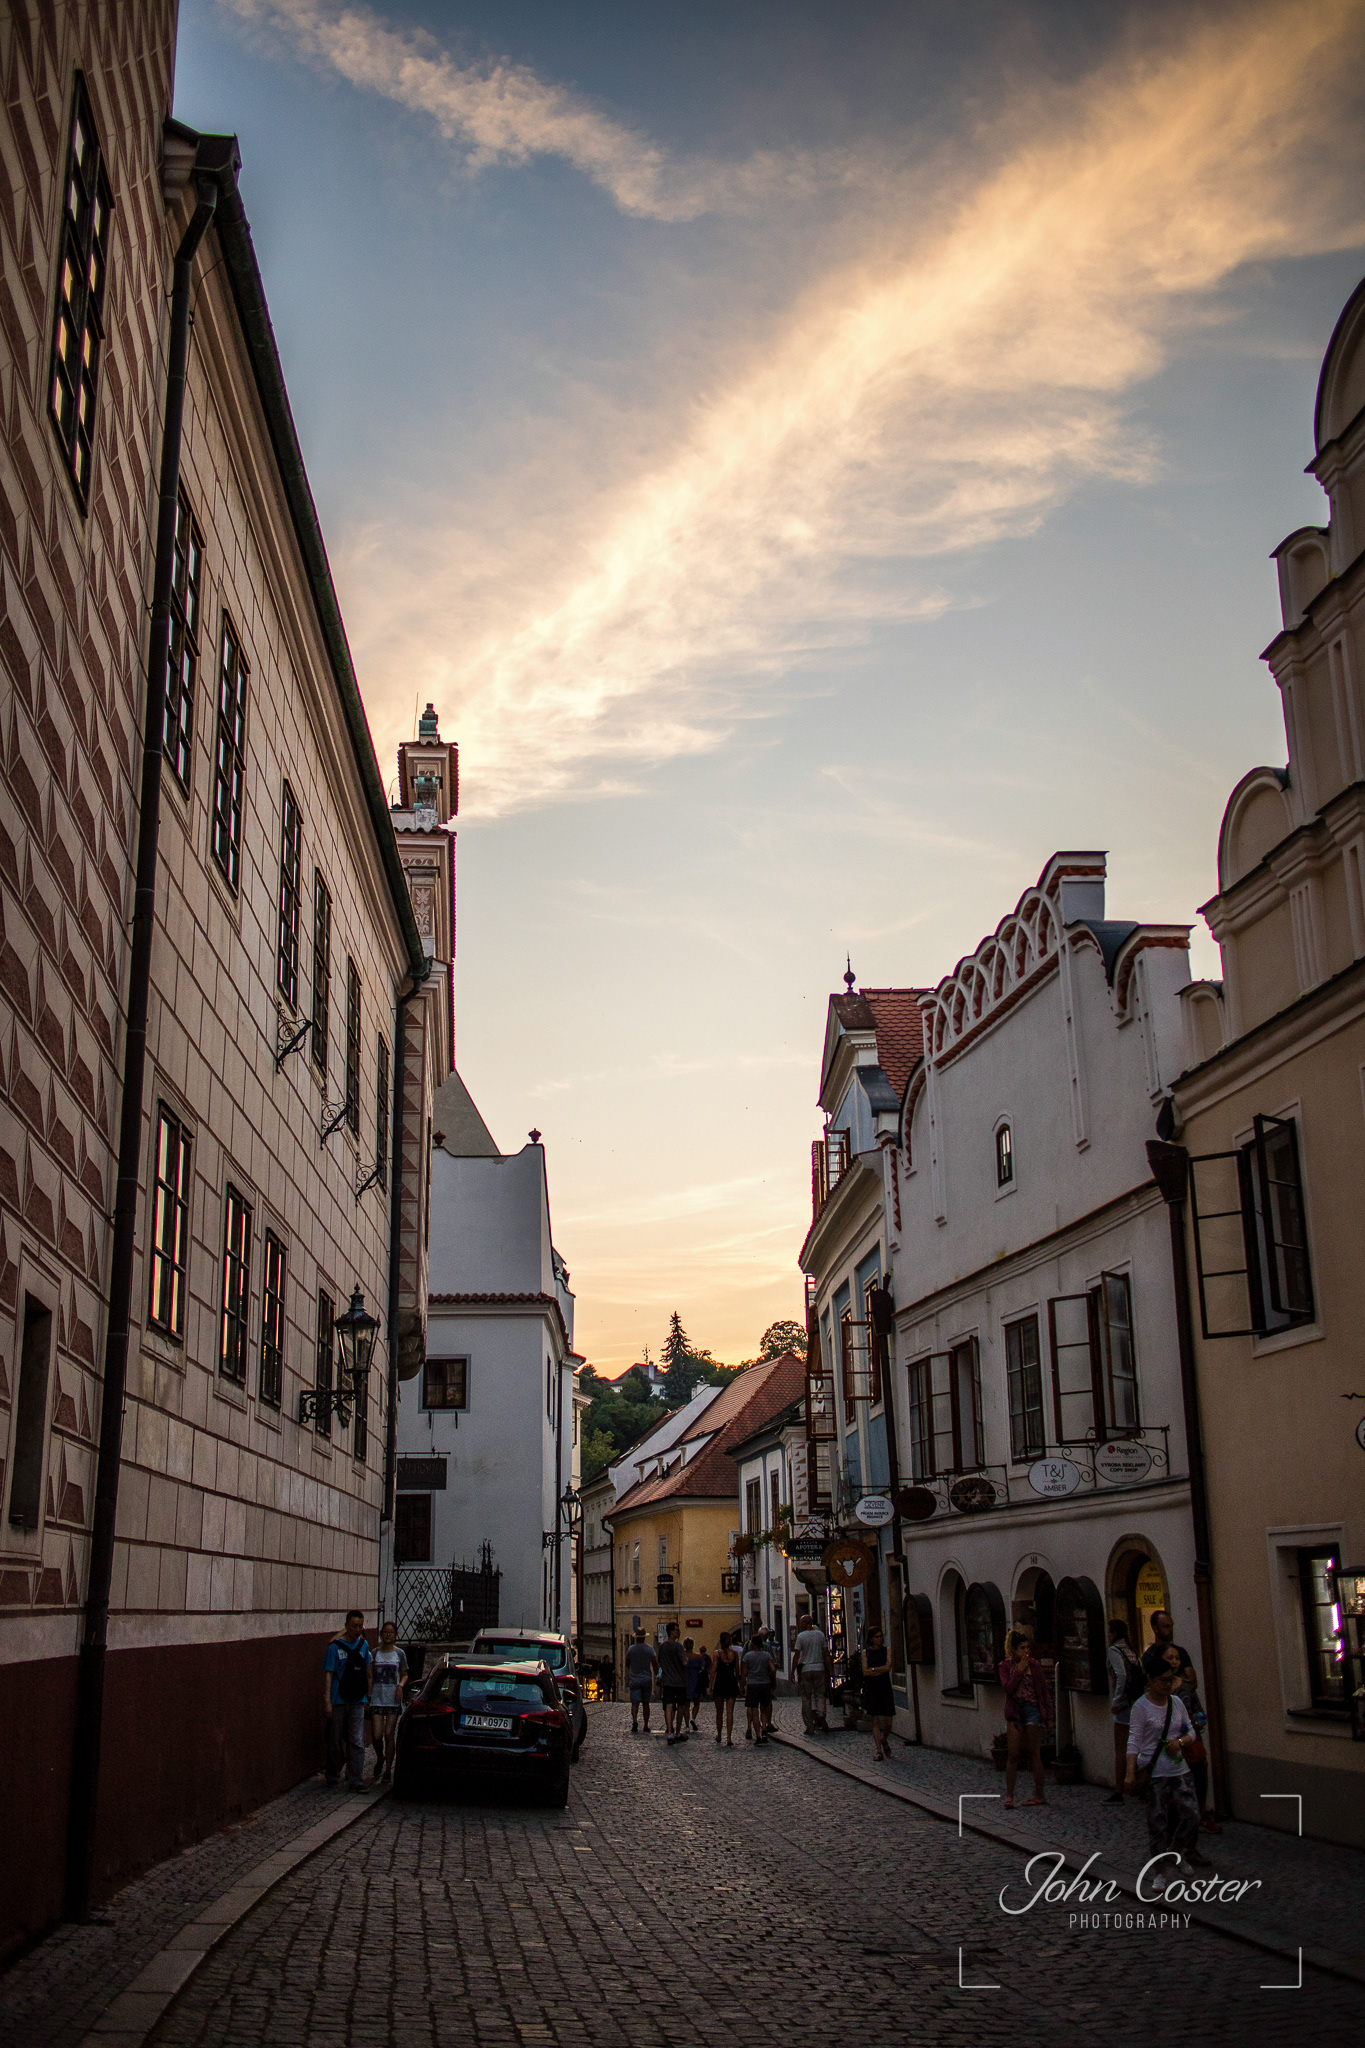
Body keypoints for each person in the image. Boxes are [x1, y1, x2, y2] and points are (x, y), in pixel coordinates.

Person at [1126, 1645, 1212, 1888]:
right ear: (1150, 1680)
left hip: (1179, 1771)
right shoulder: (1141, 1708)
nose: (1167, 1685)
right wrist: (1130, 1773)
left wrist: (1181, 1741)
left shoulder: (1176, 1703)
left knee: (1192, 1815)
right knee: (1158, 1823)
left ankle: (1176, 1851)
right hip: (1155, 1773)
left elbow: (1192, 1732)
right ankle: (1160, 1872)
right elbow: (1133, 1740)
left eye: (1170, 1680)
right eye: (1162, 1681)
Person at [1149, 1608, 1220, 1833]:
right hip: (1168, 1740)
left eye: (1176, 1659)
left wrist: (1199, 1721)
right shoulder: (1149, 1658)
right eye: (1165, 1626)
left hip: (1189, 1736)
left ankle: (1196, 1816)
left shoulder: (1185, 1685)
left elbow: (1194, 1686)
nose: (1175, 1661)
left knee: (1198, 1770)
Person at [999, 1629, 1053, 1808]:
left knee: (1034, 1753)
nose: (1026, 1651)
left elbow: (1043, 1691)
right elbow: (1008, 1688)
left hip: (1033, 1709)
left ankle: (1039, 1794)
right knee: (1013, 1754)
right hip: (1015, 1710)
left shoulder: (1035, 1665)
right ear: (1013, 1650)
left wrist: (1049, 1716)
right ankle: (1009, 1796)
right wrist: (1019, 1672)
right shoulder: (1005, 1666)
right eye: (1022, 1648)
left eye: (1027, 1647)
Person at [323, 1610, 372, 1791]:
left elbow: (368, 1672)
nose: (357, 1630)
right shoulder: (334, 1648)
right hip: (338, 1699)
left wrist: (368, 1695)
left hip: (357, 1699)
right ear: (346, 1627)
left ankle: (356, 1779)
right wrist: (327, 1701)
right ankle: (333, 1774)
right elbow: (328, 1676)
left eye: (360, 1626)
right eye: (354, 1626)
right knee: (335, 1739)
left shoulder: (364, 1645)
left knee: (356, 1740)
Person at [1105, 1619, 1143, 1803]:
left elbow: (1121, 1675)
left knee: (1121, 1749)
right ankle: (1139, 1785)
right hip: (1137, 1703)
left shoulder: (1114, 1650)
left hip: (1125, 1705)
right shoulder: (1131, 1650)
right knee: (1137, 1746)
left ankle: (1119, 1790)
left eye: (1109, 1632)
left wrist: (1116, 1700)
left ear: (1113, 1633)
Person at [368, 1620, 408, 1783]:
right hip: (377, 1698)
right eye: (385, 1632)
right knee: (377, 1736)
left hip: (393, 1700)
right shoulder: (375, 1653)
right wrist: (369, 1694)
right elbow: (370, 1675)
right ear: (381, 1634)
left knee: (389, 1734)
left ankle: (387, 1770)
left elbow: (405, 1673)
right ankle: (380, 1757)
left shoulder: (399, 1654)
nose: (388, 1634)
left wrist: (401, 1685)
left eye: (391, 1632)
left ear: (395, 1635)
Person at [861, 1626, 896, 1761]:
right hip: (872, 1688)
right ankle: (878, 1751)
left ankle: (884, 1739)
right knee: (875, 1720)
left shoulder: (887, 1651)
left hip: (885, 1687)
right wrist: (877, 1670)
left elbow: (888, 1667)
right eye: (877, 1637)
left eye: (881, 1636)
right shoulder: (866, 1653)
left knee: (888, 1721)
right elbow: (865, 1672)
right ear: (871, 1639)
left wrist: (873, 1670)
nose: (880, 1639)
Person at [793, 1614, 832, 1734]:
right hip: (819, 1668)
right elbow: (826, 1654)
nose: (800, 1625)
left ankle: (809, 1726)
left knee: (806, 1698)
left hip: (806, 1669)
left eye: (801, 1623)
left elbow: (797, 1655)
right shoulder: (820, 1635)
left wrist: (793, 1671)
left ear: (805, 1623)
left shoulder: (801, 1636)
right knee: (820, 1695)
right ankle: (821, 1714)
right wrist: (830, 1670)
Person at [741, 1631, 777, 1744]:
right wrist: (769, 1677)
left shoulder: (748, 1656)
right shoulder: (766, 1655)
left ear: (753, 1644)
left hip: (752, 1684)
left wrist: (742, 1685)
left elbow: (744, 1672)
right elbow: (773, 1669)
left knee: (754, 1710)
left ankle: (757, 1735)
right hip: (765, 1684)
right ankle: (764, 1729)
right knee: (764, 1709)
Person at [659, 1622, 691, 1743]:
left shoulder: (662, 1646)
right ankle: (677, 1732)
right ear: (672, 1632)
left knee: (668, 1706)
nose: (679, 1632)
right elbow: (684, 1663)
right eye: (677, 1630)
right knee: (681, 1706)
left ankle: (669, 1732)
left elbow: (660, 1664)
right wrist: (687, 1659)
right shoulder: (678, 1646)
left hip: (667, 1681)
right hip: (679, 1681)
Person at [624, 1630, 658, 1733]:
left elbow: (627, 1663)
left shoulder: (631, 1649)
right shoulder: (649, 1649)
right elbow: (654, 1663)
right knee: (646, 1703)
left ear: (636, 1637)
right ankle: (646, 1725)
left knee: (635, 1703)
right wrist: (657, 1675)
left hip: (634, 1679)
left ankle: (634, 1720)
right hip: (646, 1678)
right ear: (644, 1637)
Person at [713, 1631, 741, 1744]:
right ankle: (729, 1737)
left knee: (719, 1712)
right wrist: (740, 1685)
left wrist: (710, 1686)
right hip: (731, 1682)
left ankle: (719, 1735)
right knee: (730, 1712)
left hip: (720, 1683)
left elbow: (714, 1670)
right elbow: (737, 1671)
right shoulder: (734, 1654)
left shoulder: (717, 1654)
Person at [689, 1642, 711, 1730]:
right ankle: (692, 1718)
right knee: (697, 1703)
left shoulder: (690, 1657)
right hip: (698, 1681)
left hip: (689, 1680)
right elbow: (706, 1668)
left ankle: (687, 1724)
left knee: (686, 1704)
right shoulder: (704, 1658)